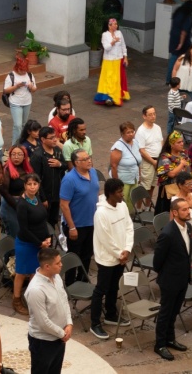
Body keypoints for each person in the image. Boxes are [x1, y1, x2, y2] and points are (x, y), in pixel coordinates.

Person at [89, 178, 134, 340]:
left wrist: (127, 249)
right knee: (101, 289)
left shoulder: (122, 206)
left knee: (114, 287)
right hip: (107, 258)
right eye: (119, 192)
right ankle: (95, 323)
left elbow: (129, 227)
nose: (122, 194)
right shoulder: (101, 213)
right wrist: (119, 254)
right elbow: (105, 238)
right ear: (110, 194)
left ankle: (110, 314)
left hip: (122, 255)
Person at [153, 198, 192, 361]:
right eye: (184, 210)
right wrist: (169, 273)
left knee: (175, 311)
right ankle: (160, 344)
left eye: (188, 209)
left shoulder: (188, 227)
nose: (188, 211)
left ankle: (170, 338)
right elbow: (157, 262)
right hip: (170, 280)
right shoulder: (168, 233)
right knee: (166, 312)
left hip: (183, 277)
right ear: (175, 213)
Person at [25, 248, 73, 374]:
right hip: (43, 341)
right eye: (57, 263)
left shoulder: (56, 277)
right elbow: (43, 322)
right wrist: (62, 334)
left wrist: (69, 323)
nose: (61, 265)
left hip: (59, 336)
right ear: (47, 266)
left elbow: (64, 300)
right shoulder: (36, 290)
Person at [59, 149, 100, 285]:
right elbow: (64, 205)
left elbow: (94, 192)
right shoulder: (69, 180)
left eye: (89, 157)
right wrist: (71, 227)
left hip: (91, 222)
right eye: (85, 159)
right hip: (76, 225)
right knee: (74, 256)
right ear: (76, 163)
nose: (89, 160)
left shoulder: (93, 172)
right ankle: (70, 283)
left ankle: (82, 280)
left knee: (87, 254)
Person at [15, 173, 51, 316]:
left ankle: (31, 298)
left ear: (38, 185)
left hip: (39, 242)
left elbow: (42, 220)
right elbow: (24, 229)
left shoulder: (36, 198)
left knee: (34, 272)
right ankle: (16, 300)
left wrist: (47, 236)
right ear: (24, 186)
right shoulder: (22, 204)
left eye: (35, 184)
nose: (32, 187)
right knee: (21, 272)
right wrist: (39, 242)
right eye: (29, 184)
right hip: (26, 243)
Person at [30, 127, 65, 227]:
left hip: (57, 194)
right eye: (51, 138)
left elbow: (65, 165)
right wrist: (43, 198)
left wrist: (59, 164)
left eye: (55, 137)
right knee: (44, 222)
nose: (55, 140)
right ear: (43, 140)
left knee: (53, 220)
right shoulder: (37, 156)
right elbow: (36, 178)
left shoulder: (58, 151)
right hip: (45, 196)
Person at [94, 18, 130, 106]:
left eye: (116, 24)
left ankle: (116, 95)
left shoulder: (119, 33)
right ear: (109, 25)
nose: (116, 26)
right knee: (109, 79)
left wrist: (125, 57)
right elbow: (106, 48)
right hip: (109, 61)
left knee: (117, 79)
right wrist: (113, 41)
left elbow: (123, 45)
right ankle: (108, 97)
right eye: (114, 24)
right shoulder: (105, 35)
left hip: (118, 59)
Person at [0, 145, 32, 241]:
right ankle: (11, 256)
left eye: (19, 154)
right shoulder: (6, 170)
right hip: (11, 204)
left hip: (24, 202)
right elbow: (4, 192)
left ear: (24, 156)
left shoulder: (27, 169)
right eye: (13, 154)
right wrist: (18, 207)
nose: (16, 157)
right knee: (15, 235)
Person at [4, 54, 38, 145]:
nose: (23, 72)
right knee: (17, 125)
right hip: (15, 102)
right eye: (21, 70)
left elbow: (34, 89)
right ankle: (15, 145)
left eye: (24, 70)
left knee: (24, 124)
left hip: (27, 102)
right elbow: (6, 90)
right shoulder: (11, 75)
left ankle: (22, 143)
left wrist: (31, 86)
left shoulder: (30, 75)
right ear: (17, 68)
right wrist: (16, 86)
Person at [155, 131, 191, 215]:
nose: (182, 144)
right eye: (179, 142)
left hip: (182, 189)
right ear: (172, 144)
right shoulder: (165, 157)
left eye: (182, 141)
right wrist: (181, 164)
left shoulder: (184, 154)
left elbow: (188, 170)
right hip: (169, 192)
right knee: (168, 213)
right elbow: (171, 174)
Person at [109, 121, 142, 214]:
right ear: (122, 134)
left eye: (132, 131)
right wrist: (116, 184)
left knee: (131, 201)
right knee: (121, 203)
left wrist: (139, 176)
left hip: (134, 178)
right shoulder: (118, 147)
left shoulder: (135, 142)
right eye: (128, 132)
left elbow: (137, 161)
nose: (131, 134)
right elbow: (114, 166)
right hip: (123, 180)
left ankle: (128, 217)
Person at [136, 106, 164, 208]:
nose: (153, 116)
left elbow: (161, 142)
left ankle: (148, 206)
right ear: (144, 116)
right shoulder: (141, 131)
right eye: (150, 114)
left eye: (154, 113)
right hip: (148, 161)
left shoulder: (157, 128)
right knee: (144, 186)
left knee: (152, 185)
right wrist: (152, 161)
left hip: (158, 160)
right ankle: (139, 208)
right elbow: (142, 150)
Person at [167, 0, 192, 85]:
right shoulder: (187, 16)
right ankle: (173, 79)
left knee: (174, 57)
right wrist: (181, 43)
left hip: (173, 37)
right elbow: (184, 31)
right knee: (180, 58)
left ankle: (169, 79)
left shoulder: (178, 13)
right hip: (182, 41)